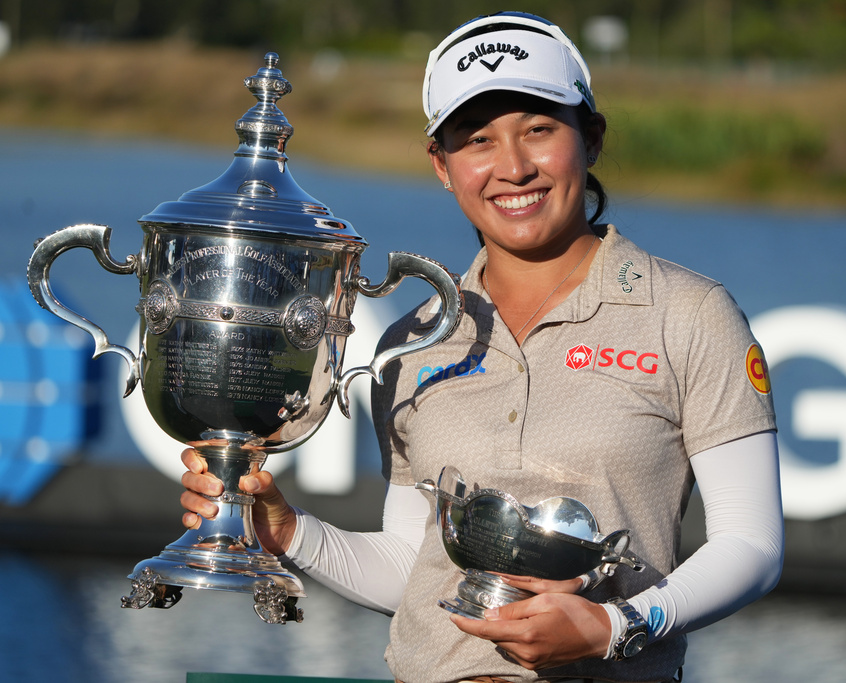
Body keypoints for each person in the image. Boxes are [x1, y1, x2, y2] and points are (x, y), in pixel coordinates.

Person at [180, 11, 784, 683]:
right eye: (477, 140)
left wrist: (619, 624)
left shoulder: (691, 314)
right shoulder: (412, 341)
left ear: (590, 138)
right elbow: (415, 567)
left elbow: (751, 544)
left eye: (539, 130)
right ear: (441, 165)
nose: (514, 167)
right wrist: (289, 533)